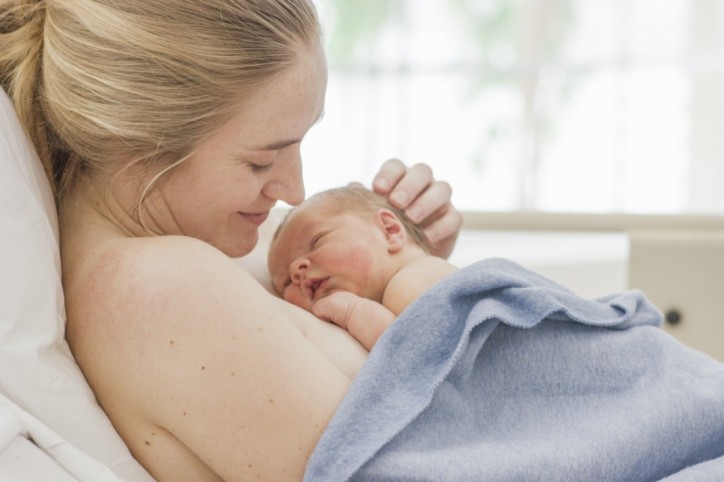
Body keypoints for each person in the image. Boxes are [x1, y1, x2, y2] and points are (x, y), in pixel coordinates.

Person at [0, 1, 463, 480]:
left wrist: (408, 273)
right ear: (138, 144)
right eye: (261, 161)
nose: (294, 190)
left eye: (301, 142)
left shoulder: (200, 242)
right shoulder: (160, 290)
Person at [268, 184, 458, 351]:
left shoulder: (415, 278)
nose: (295, 269)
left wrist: (355, 313)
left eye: (317, 241)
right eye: (286, 284)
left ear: (389, 230)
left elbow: (422, 358)